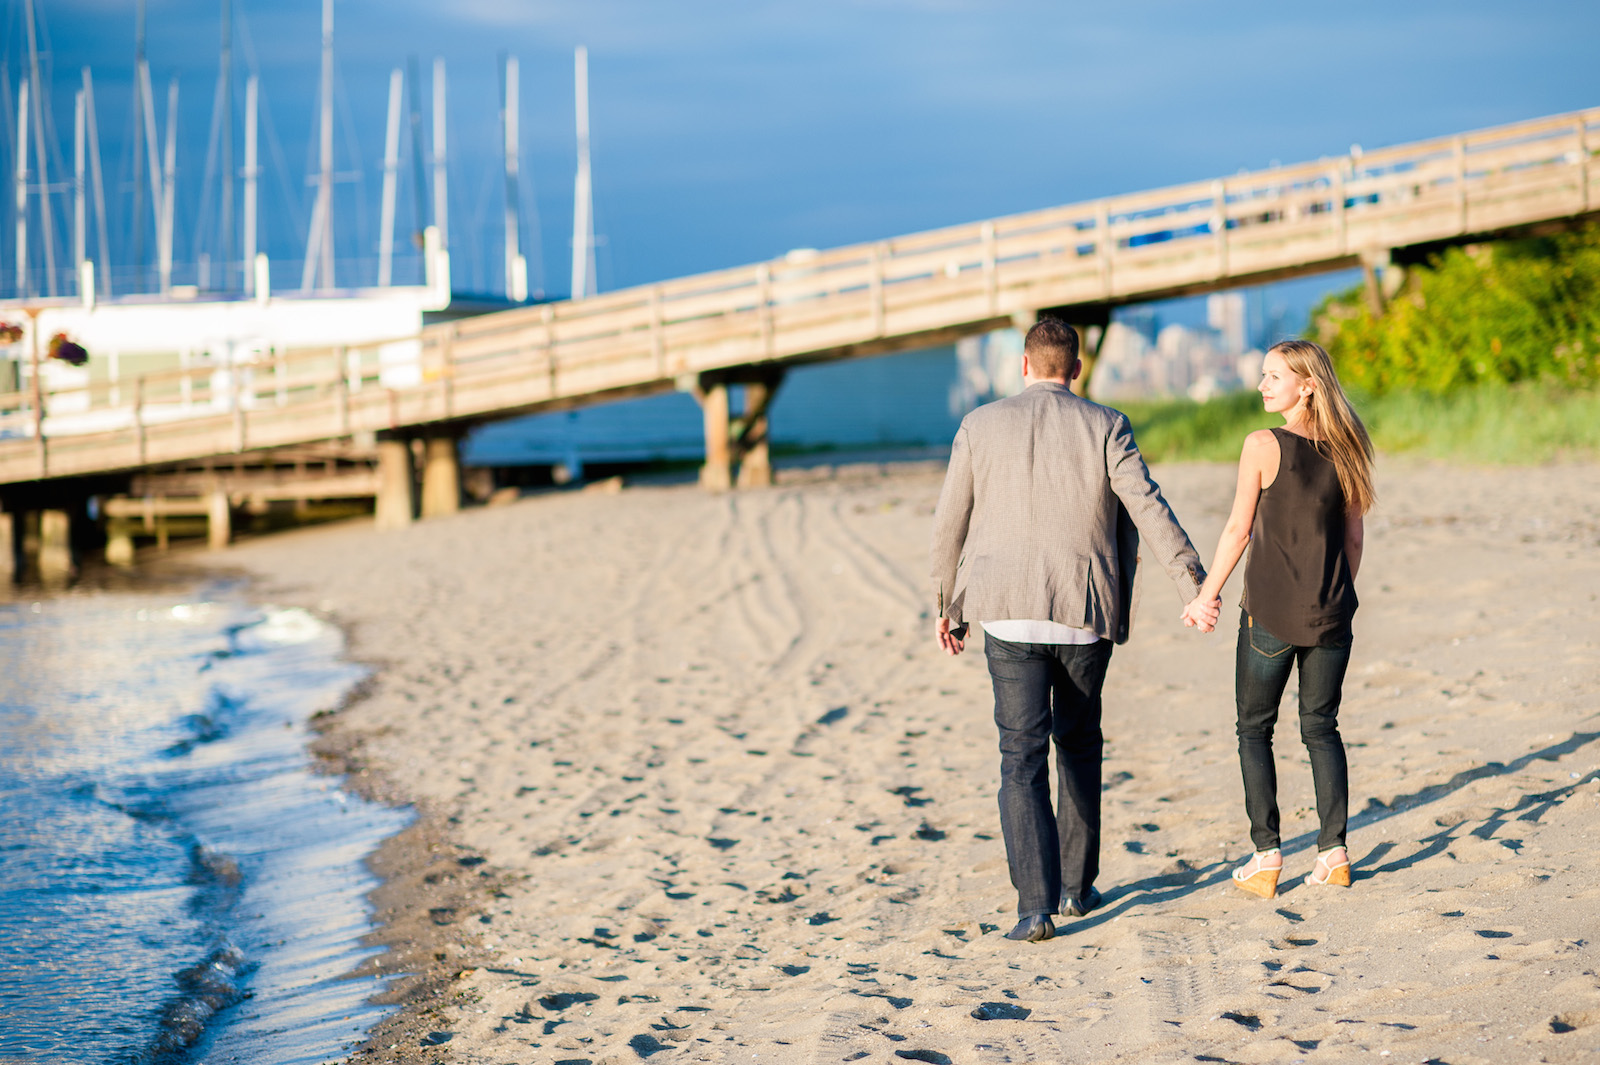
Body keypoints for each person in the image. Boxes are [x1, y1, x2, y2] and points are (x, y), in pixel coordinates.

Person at [930, 318, 1216, 943]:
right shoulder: (1106, 424)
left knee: (1020, 754)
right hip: (1083, 610)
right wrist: (1194, 588)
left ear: (1024, 366)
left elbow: (949, 520)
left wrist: (945, 603)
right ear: (1076, 370)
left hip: (1004, 609)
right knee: (1079, 745)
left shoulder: (979, 425)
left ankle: (1033, 908)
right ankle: (1075, 888)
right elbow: (1149, 508)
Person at [1181, 339, 1375, 899]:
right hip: (1332, 615)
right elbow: (1354, 539)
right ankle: (1333, 853)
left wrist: (1205, 597)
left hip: (1268, 614)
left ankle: (1266, 857)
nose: (1263, 386)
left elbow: (1238, 531)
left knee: (1253, 729)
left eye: (1273, 377)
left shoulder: (1263, 445)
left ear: (1306, 384)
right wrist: (1334, 595)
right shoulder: (1350, 446)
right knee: (1321, 728)